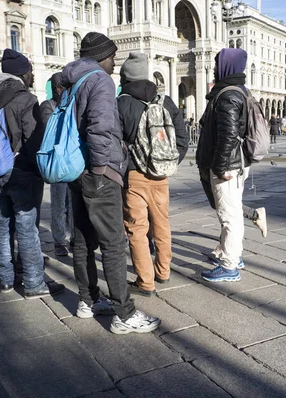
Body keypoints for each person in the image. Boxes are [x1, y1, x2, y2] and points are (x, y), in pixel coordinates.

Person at [62, 32, 160, 333]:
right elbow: (101, 128)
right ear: (101, 56)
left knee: (82, 240)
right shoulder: (99, 80)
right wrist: (106, 169)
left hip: (76, 170)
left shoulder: (71, 81)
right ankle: (125, 314)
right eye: (112, 57)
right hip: (98, 172)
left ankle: (88, 300)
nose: (114, 64)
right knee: (114, 243)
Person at [0, 49, 64, 298]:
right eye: (30, 70)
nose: (32, 75)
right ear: (21, 73)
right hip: (22, 172)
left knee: (3, 224)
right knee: (28, 228)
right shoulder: (26, 100)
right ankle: (33, 282)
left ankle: (6, 278)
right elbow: (34, 141)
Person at [116, 52, 189, 296]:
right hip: (161, 175)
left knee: (136, 227)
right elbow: (182, 137)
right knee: (162, 223)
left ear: (125, 77)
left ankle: (145, 281)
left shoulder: (121, 103)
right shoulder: (164, 101)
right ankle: (163, 271)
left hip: (134, 175)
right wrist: (168, 161)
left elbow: (114, 143)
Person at [196, 47, 252, 282]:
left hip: (227, 165)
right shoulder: (238, 91)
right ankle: (233, 255)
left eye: (219, 64)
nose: (215, 68)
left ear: (227, 66)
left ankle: (229, 266)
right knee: (233, 212)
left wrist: (219, 167)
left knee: (229, 216)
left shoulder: (229, 95)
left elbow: (228, 135)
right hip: (234, 163)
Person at [39, 72, 74, 257]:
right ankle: (59, 241)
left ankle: (75, 237)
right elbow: (49, 130)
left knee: (74, 205)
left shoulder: (71, 104)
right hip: (57, 164)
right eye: (65, 87)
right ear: (58, 88)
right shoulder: (47, 106)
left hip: (73, 162)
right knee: (59, 205)